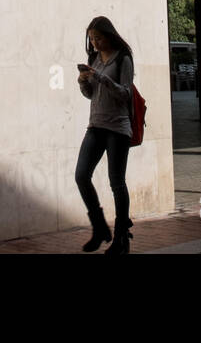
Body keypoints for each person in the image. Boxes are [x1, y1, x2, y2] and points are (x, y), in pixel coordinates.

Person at [74, 15, 134, 254]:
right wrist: (83, 82)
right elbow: (92, 95)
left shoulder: (123, 58)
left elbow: (125, 94)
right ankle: (99, 228)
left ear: (108, 35)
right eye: (91, 39)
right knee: (81, 175)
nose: (95, 43)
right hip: (96, 126)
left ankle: (121, 238)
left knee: (116, 183)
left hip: (118, 129)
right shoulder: (94, 59)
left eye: (98, 38)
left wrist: (100, 77)